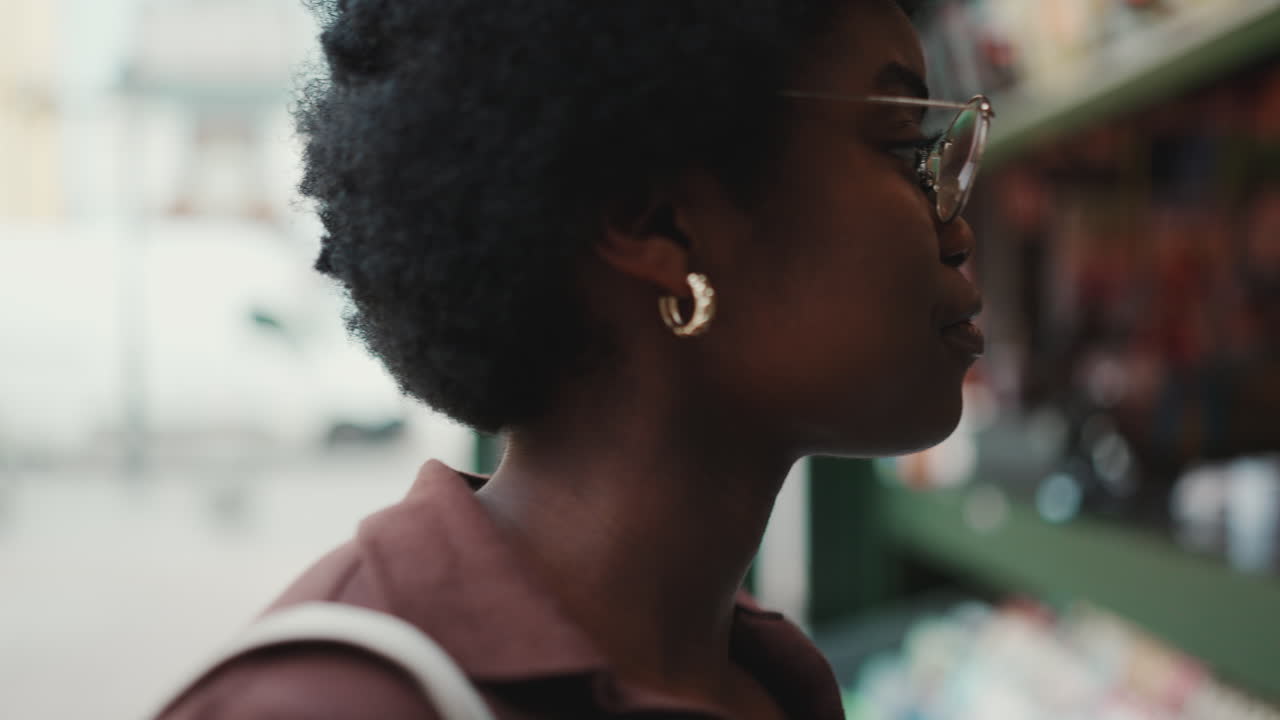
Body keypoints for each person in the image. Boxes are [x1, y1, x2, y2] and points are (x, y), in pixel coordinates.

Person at [156, 0, 991, 717]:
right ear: (655, 221)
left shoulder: (772, 680)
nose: (956, 227)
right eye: (901, 144)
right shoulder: (323, 703)